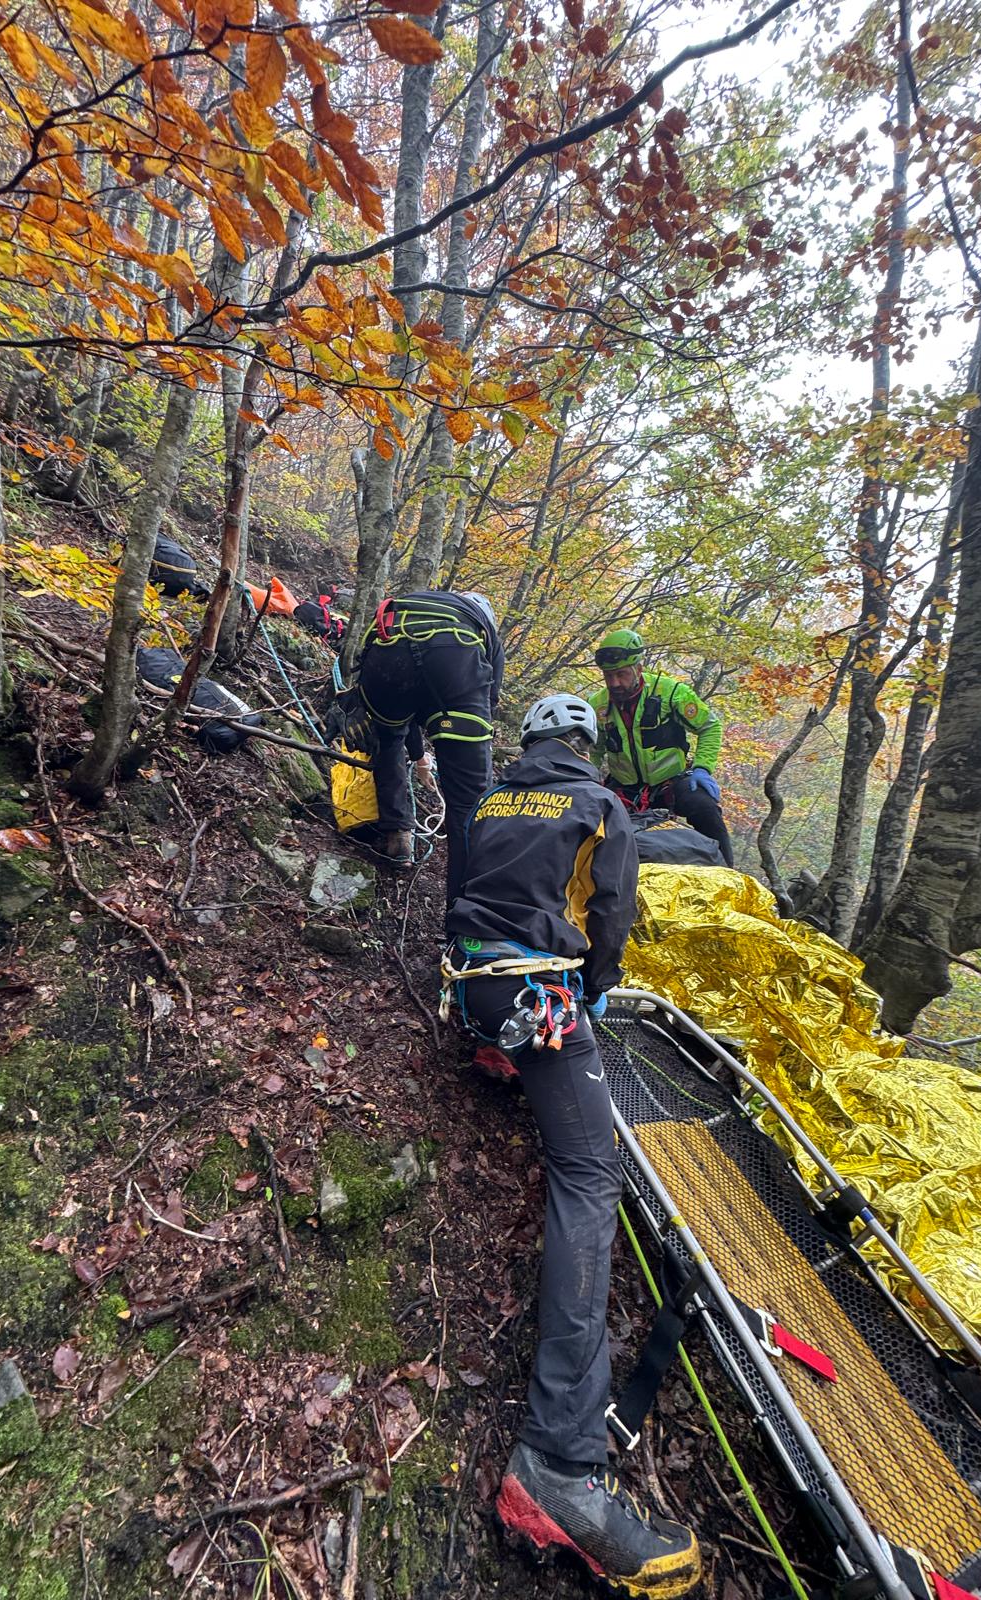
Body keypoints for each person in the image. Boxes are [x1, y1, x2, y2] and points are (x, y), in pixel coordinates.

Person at [443, 693, 701, 1598]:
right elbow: (611, 913)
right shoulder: (599, 805)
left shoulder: (487, 796)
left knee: (541, 1074)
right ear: (587, 748)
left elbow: (458, 893)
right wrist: (596, 987)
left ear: (529, 743)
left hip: (473, 984)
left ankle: (496, 1045)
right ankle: (558, 1460)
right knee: (591, 1177)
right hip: (536, 993)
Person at [349, 589, 503, 908]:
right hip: (453, 658)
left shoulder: (424, 607)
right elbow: (487, 707)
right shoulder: (482, 630)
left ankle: (397, 838)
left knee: (389, 740)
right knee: (468, 797)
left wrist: (419, 758)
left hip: (385, 651)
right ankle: (467, 904)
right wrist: (460, 766)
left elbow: (407, 718)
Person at [586, 628, 734, 866]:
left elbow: (709, 727)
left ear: (638, 668)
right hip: (624, 788)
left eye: (621, 674)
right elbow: (593, 749)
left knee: (705, 808)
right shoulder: (597, 705)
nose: (614, 683)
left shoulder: (671, 693)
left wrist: (703, 768)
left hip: (671, 781)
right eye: (608, 676)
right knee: (585, 820)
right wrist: (586, 779)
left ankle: (729, 872)